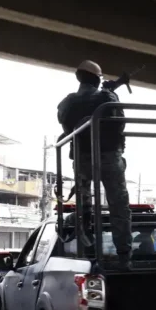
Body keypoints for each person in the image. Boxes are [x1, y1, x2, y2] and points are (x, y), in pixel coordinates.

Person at [57, 60, 132, 270]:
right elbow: (119, 121)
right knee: (118, 205)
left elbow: (66, 122)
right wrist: (112, 92)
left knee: (84, 204)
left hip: (82, 159)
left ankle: (87, 247)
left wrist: (109, 90)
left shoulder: (68, 102)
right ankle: (124, 256)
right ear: (98, 79)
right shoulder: (106, 97)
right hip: (109, 158)